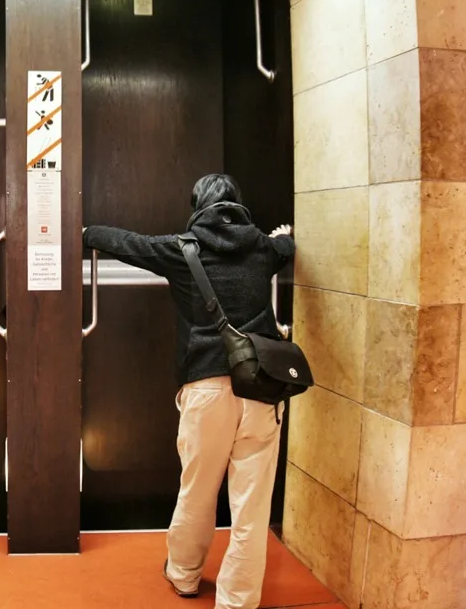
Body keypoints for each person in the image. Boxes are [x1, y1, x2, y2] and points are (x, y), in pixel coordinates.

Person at [82, 173, 295, 609]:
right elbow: (286, 247)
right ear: (238, 205)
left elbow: (127, 243)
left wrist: (83, 231)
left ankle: (183, 576)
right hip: (261, 389)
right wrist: (286, 238)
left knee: (197, 491)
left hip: (207, 390)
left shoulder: (183, 250)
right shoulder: (261, 249)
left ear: (197, 206)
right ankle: (237, 601)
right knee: (252, 508)